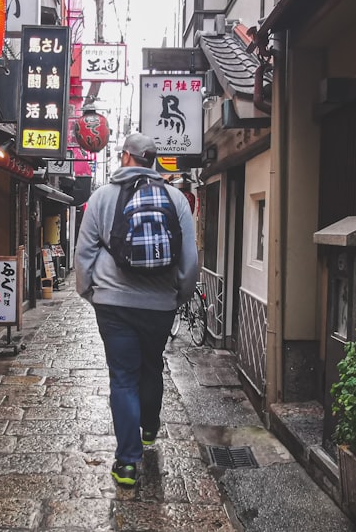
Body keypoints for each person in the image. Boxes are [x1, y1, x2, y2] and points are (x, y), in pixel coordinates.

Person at [75, 132, 199, 487]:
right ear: (153, 160)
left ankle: (127, 462)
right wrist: (178, 297)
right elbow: (190, 261)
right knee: (151, 366)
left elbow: (84, 255)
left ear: (127, 157)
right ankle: (149, 429)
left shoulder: (101, 198)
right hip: (160, 305)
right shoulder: (176, 199)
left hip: (114, 305)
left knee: (123, 378)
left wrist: (89, 292)